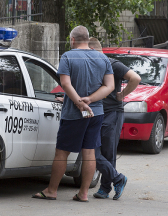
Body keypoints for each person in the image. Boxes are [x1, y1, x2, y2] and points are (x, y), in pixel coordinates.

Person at [32, 26, 114, 202]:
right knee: (89, 152)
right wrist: (89, 100)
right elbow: (109, 86)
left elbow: (65, 83)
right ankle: (83, 193)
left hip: (73, 114)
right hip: (96, 113)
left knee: (62, 153)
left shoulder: (68, 56)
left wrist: (78, 103)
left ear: (73, 40)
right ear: (87, 38)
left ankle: (52, 190)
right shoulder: (103, 58)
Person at [88, 38, 141, 200]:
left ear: (91, 49)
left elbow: (135, 78)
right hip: (96, 113)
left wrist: (122, 95)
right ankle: (118, 178)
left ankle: (105, 188)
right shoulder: (92, 65)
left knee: (108, 152)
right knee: (92, 152)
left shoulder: (112, 64)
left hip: (112, 113)